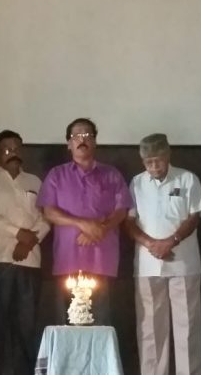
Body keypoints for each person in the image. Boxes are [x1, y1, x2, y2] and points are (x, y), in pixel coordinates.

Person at [125, 134, 201, 375]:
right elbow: (129, 221)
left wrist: (171, 242)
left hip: (184, 263)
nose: (154, 167)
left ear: (168, 155)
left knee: (188, 327)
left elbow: (194, 216)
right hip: (147, 264)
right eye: (148, 162)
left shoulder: (187, 179)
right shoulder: (136, 183)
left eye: (158, 161)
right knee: (150, 330)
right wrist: (151, 243)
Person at [37, 118, 132, 326]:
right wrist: (83, 224)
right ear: (68, 144)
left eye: (87, 135)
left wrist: (100, 229)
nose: (82, 140)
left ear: (95, 142)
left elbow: (121, 210)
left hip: (102, 261)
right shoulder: (56, 175)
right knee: (68, 325)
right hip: (68, 260)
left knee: (101, 325)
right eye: (76, 136)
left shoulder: (112, 174)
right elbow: (49, 212)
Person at [0, 130, 51, 375]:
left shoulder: (35, 182)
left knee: (27, 330)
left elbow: (46, 217)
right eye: (7, 149)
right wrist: (18, 234)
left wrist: (29, 241)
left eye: (17, 148)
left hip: (30, 262)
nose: (13, 153)